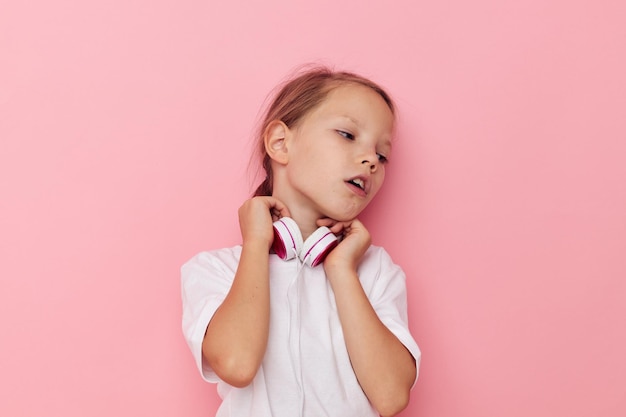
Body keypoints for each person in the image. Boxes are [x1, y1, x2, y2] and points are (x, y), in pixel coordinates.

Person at [181, 65, 420, 417]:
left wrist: (341, 271)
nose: (371, 160)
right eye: (347, 134)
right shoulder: (213, 269)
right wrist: (255, 246)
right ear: (280, 143)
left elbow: (391, 397)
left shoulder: (377, 272)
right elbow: (236, 363)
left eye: (382, 155)